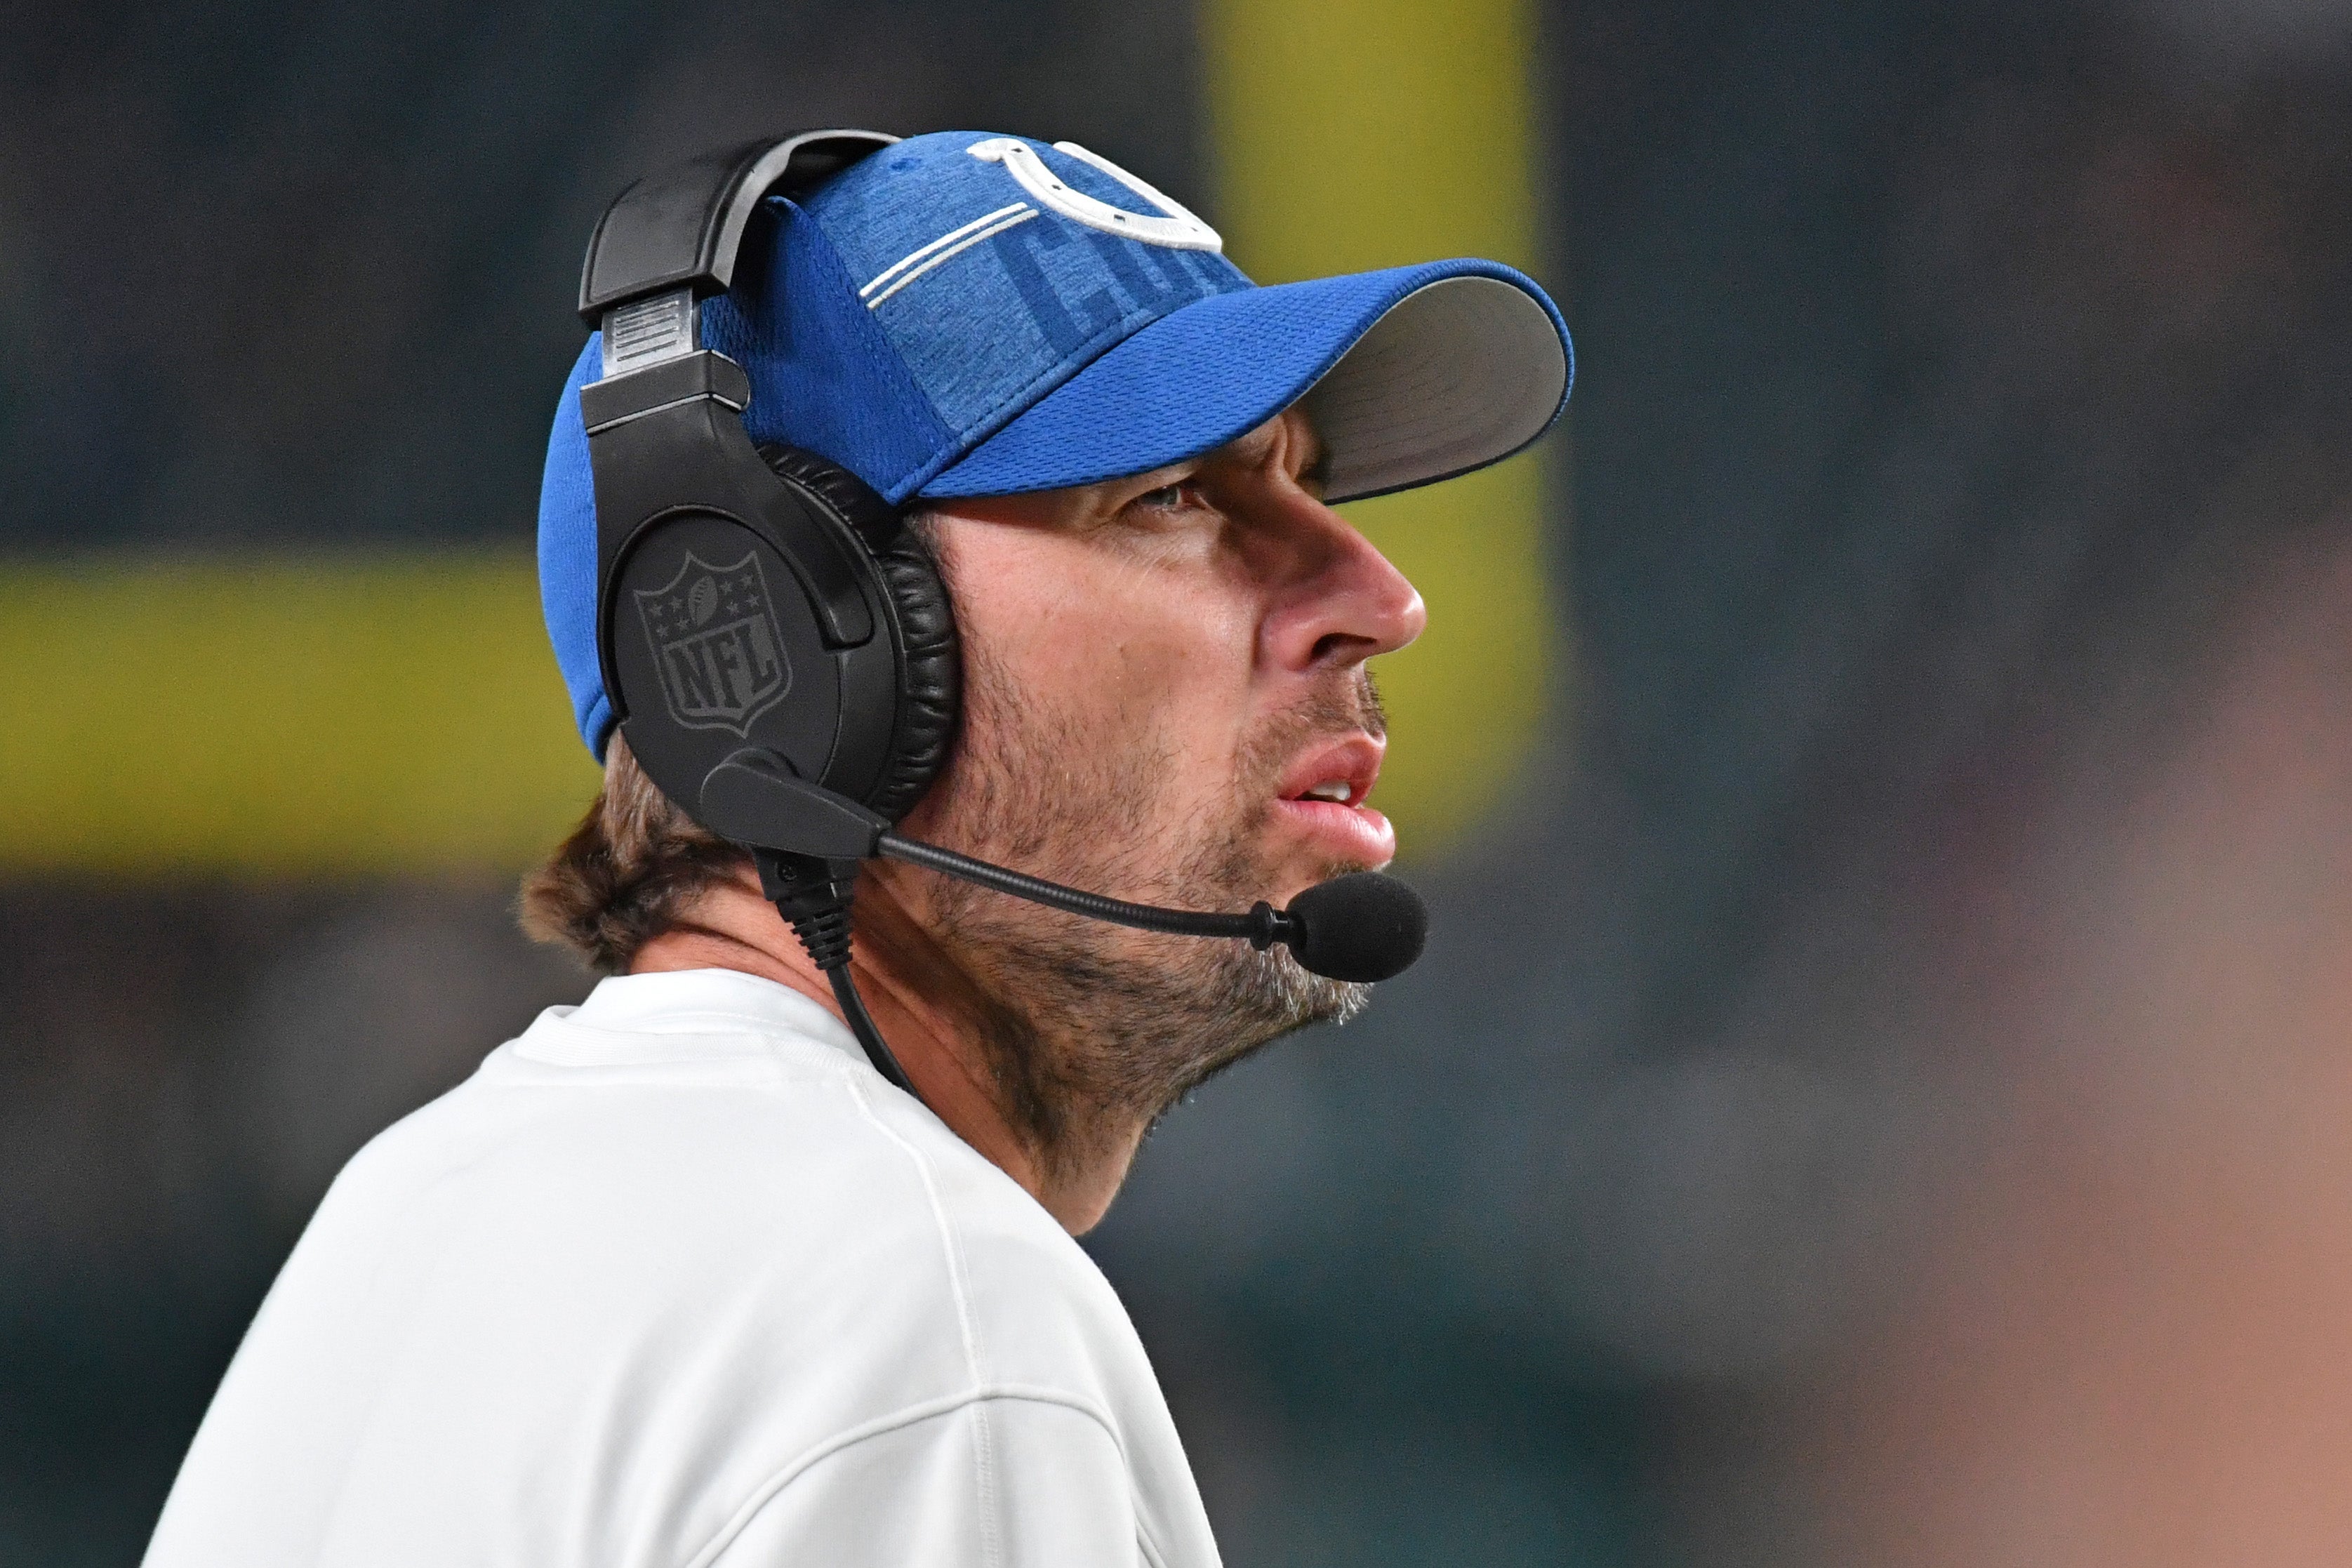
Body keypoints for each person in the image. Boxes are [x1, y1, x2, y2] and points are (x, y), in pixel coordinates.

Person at [142, 129, 1569, 1567]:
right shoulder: (925, 1314)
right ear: (783, 658)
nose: (1378, 595)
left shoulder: (420, 1213)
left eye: (1307, 485)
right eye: (1175, 496)